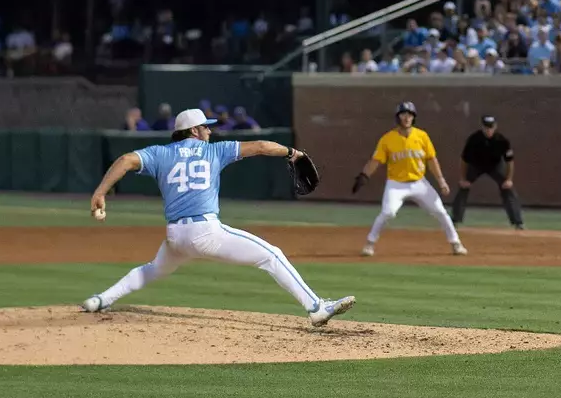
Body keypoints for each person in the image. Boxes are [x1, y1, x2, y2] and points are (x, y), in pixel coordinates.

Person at [80, 108, 355, 328]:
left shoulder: (160, 154)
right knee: (271, 255)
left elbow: (126, 160)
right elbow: (260, 145)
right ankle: (317, 308)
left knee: (154, 269)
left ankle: (101, 299)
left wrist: (100, 192)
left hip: (176, 236)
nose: (210, 130)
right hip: (205, 232)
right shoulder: (214, 150)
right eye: (206, 126)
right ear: (194, 131)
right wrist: (293, 153)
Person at [353, 101, 466, 257]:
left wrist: (441, 180)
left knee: (440, 211)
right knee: (388, 212)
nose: (407, 118)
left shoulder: (422, 136)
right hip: (396, 184)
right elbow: (376, 161)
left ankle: (456, 243)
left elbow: (431, 159)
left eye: (410, 115)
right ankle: (370, 244)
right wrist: (364, 175)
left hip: (419, 183)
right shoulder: (388, 138)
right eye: (403, 114)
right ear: (398, 117)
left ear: (414, 118)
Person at [453, 115, 525, 230]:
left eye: (491, 127)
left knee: (507, 189)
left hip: (495, 166)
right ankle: (455, 220)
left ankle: (518, 222)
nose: (488, 130)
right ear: (482, 127)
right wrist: (463, 178)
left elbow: (510, 162)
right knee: (463, 187)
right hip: (476, 166)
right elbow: (463, 160)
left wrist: (509, 179)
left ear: (495, 127)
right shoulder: (474, 139)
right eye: (486, 127)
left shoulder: (502, 140)